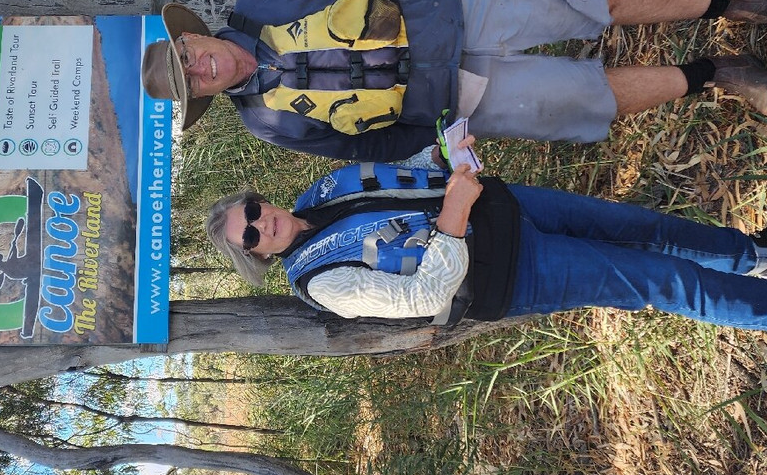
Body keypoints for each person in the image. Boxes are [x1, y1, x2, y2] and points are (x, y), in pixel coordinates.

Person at [142, 0, 767, 161]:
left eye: (187, 55)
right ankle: (717, 71)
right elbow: (364, 145)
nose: (199, 68)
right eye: (191, 81)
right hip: (459, 99)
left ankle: (728, 3)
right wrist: (437, 125)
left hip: (460, 7)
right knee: (589, 99)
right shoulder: (267, 122)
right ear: (202, 95)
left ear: (193, 32)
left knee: (597, 2)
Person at [204, 137, 767, 329]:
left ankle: (752, 255)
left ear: (259, 199)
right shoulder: (320, 282)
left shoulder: (319, 194)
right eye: (249, 237)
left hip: (508, 205)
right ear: (257, 257)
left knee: (648, 227)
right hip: (514, 271)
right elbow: (422, 298)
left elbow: (407, 173)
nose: (260, 224)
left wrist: (448, 153)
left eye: (251, 211)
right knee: (660, 281)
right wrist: (454, 214)